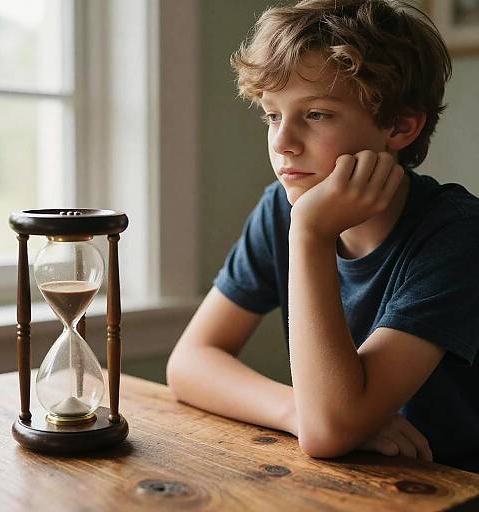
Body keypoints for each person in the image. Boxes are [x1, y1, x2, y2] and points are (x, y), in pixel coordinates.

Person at [166, 0, 479, 473]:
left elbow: (329, 432)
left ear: (400, 126)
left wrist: (310, 233)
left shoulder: (457, 234)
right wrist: (297, 410)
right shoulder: (282, 206)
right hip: (352, 483)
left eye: (316, 114)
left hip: (449, 485)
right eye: (272, 115)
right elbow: (189, 363)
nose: (282, 141)